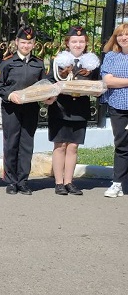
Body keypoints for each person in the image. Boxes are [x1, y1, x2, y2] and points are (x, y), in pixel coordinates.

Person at [0, 25, 55, 195]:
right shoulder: (7, 62)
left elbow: (44, 85)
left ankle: (23, 181)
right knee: (11, 143)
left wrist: (48, 97)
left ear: (34, 44)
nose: (26, 46)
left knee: (27, 144)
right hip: (11, 109)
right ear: (16, 42)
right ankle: (11, 181)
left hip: (31, 109)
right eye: (23, 43)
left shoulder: (39, 63)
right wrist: (9, 95)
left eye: (29, 43)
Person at [48, 25, 100, 196]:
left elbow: (97, 84)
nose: (78, 44)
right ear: (67, 43)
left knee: (73, 147)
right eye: (74, 41)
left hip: (80, 108)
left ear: (86, 43)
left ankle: (69, 182)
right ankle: (58, 182)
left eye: (81, 41)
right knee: (60, 145)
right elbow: (49, 81)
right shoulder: (58, 61)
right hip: (60, 108)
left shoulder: (92, 63)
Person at [100, 23, 128, 198]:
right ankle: (117, 183)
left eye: (126, 35)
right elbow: (108, 81)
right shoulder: (111, 56)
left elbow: (115, 80)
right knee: (122, 145)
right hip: (118, 106)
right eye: (120, 35)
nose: (123, 38)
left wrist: (121, 80)